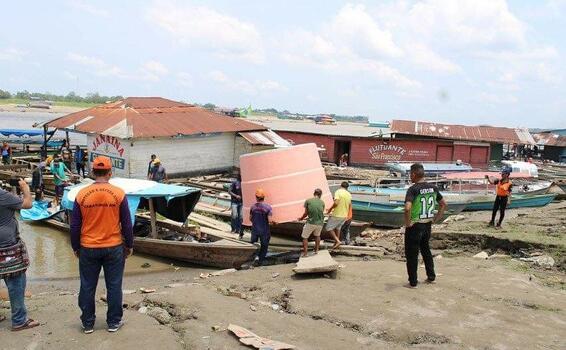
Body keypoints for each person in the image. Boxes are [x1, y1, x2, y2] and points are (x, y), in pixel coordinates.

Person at [70, 156, 133, 334]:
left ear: (92, 173)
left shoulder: (81, 194)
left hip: (88, 247)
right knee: (114, 285)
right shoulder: (119, 194)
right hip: (113, 246)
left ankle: (88, 323)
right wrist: (129, 244)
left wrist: (75, 246)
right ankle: (113, 322)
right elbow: (127, 224)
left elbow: (75, 225)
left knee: (87, 285)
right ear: (110, 173)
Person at [0, 178, 40, 331]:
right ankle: (19, 320)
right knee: (16, 282)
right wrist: (25, 187)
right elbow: (28, 204)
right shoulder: (3, 196)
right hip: (7, 247)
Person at [404, 163, 447, 288]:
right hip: (427, 224)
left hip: (415, 225)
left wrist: (407, 223)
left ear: (413, 174)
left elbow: (407, 208)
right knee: (426, 250)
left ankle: (413, 282)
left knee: (412, 254)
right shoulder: (433, 188)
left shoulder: (413, 189)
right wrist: (436, 219)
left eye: (410, 174)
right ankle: (431, 276)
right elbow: (443, 204)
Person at [249, 189, 274, 265]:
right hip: (264, 231)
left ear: (256, 197)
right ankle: (260, 261)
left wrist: (256, 222)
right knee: (264, 246)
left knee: (253, 245)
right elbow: (269, 221)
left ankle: (251, 260)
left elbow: (250, 218)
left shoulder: (253, 207)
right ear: (264, 197)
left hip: (255, 230)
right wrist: (274, 222)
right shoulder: (268, 208)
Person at [298, 188, 325, 257]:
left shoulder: (308, 201)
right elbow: (320, 211)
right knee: (317, 236)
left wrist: (301, 219)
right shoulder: (322, 202)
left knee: (305, 237)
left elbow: (306, 213)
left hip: (311, 222)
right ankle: (316, 251)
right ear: (320, 195)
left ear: (314, 193)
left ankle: (305, 253)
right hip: (320, 223)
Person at [325, 181, 352, 249]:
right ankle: (336, 243)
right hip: (344, 215)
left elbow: (336, 203)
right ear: (347, 188)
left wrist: (330, 210)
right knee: (338, 228)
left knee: (328, 228)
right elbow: (349, 205)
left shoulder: (338, 192)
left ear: (340, 186)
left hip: (337, 214)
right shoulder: (349, 194)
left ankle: (337, 241)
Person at [229, 173, 244, 238]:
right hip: (234, 202)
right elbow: (229, 191)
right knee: (234, 215)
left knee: (240, 216)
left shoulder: (244, 183)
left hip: (241, 203)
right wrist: (236, 196)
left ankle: (238, 230)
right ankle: (233, 229)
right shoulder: (235, 183)